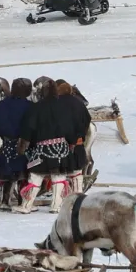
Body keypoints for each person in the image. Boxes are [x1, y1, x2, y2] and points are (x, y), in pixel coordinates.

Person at [15, 79, 90, 213]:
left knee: (36, 176)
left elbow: (28, 129)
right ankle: (56, 206)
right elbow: (70, 127)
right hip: (62, 149)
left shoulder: (36, 107)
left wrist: (24, 146)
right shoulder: (64, 107)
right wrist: (73, 140)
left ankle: (26, 206)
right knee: (59, 177)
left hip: (41, 149)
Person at [0, 78, 32, 208]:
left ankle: (5, 200)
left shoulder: (1, 105)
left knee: (7, 171)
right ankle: (22, 200)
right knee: (23, 172)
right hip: (23, 144)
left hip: (6, 144)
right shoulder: (29, 106)